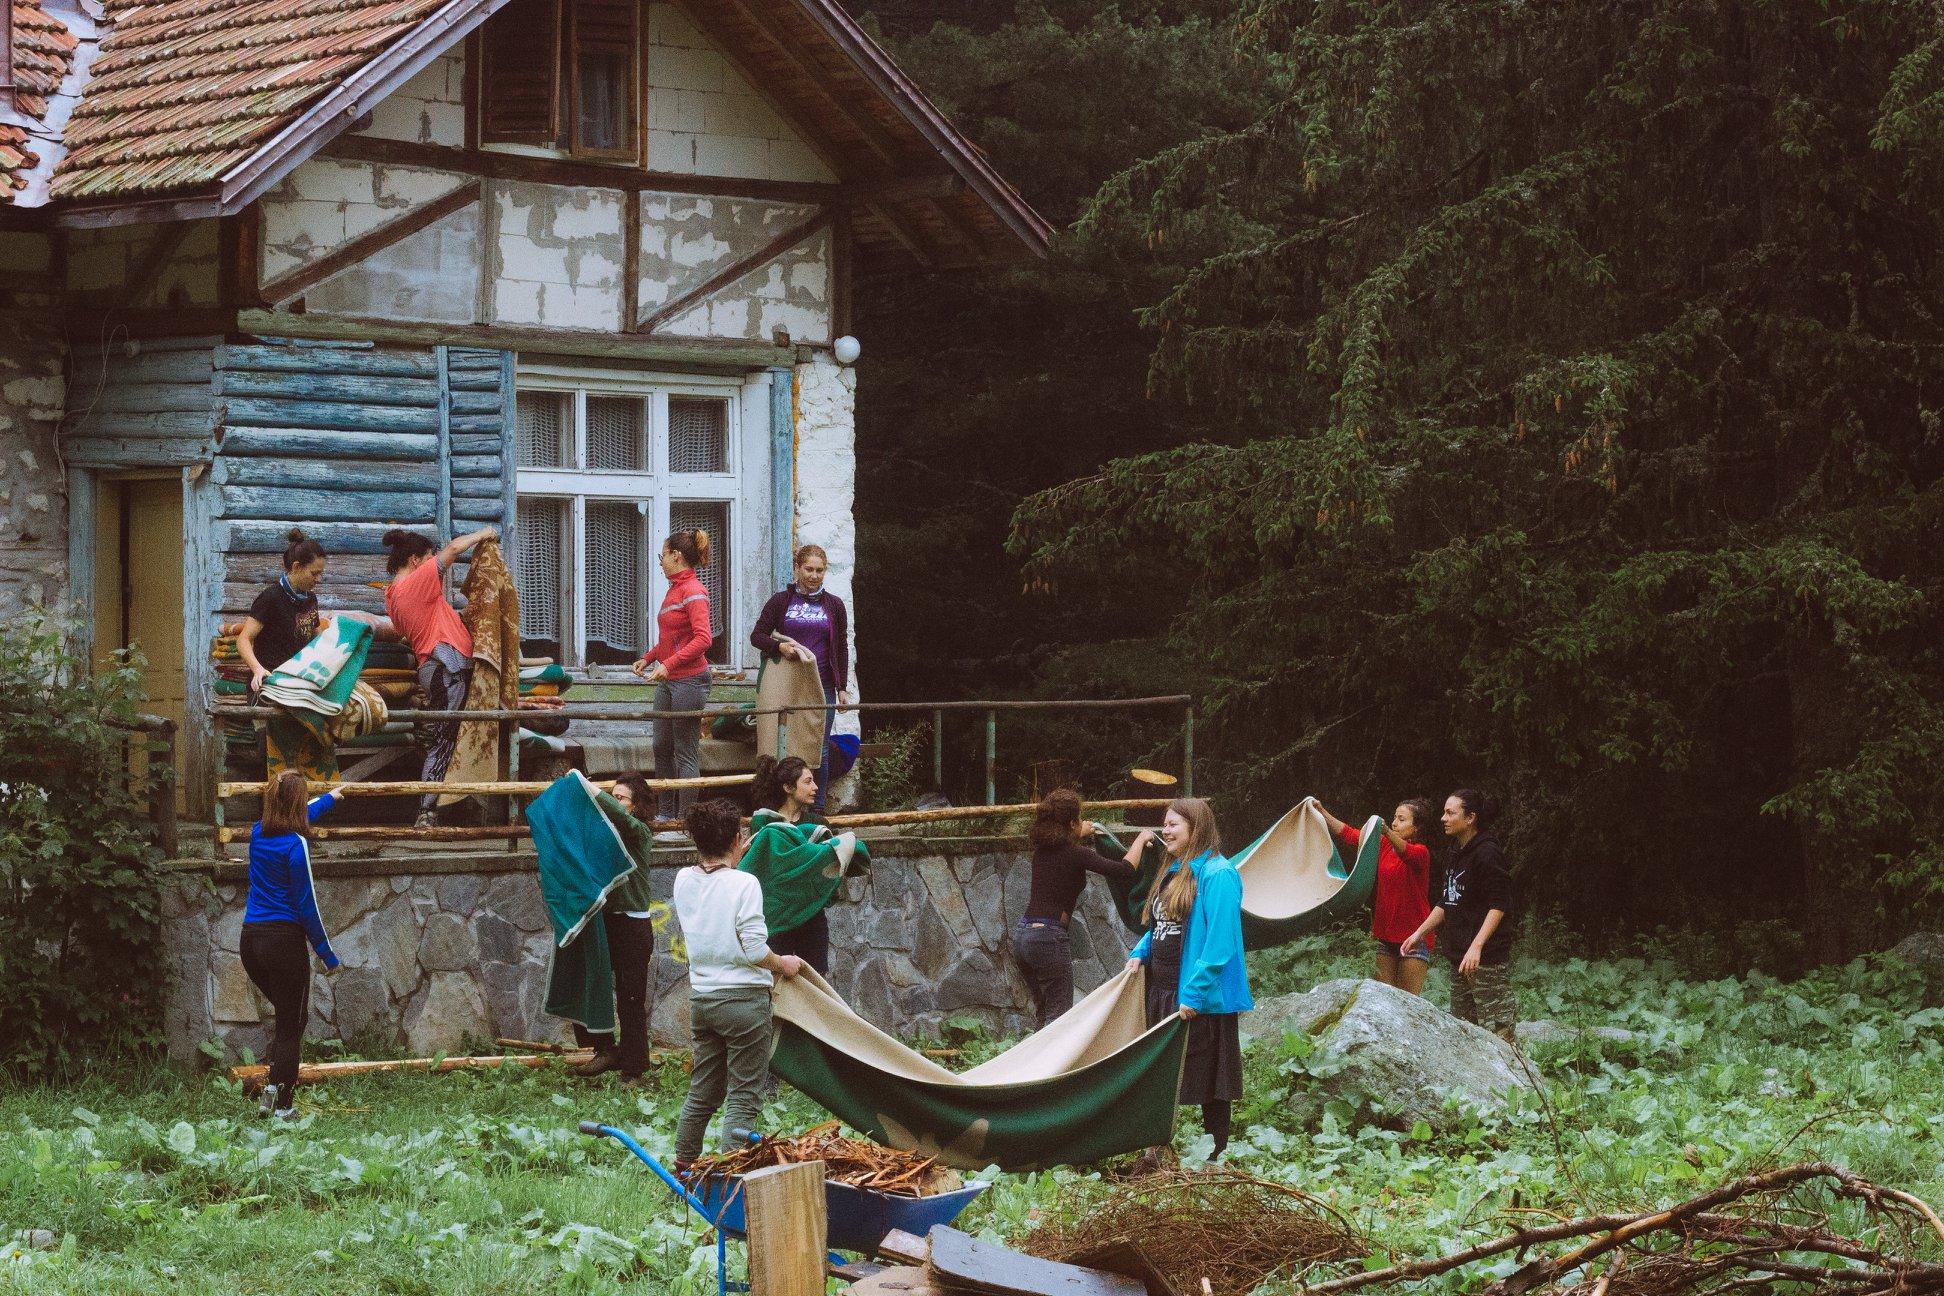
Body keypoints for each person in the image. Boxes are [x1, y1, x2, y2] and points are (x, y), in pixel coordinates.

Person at [671, 798, 805, 1174]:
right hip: (745, 1003)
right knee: (744, 1094)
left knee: (703, 1091)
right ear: (736, 840)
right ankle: (729, 1177)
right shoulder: (745, 883)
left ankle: (682, 1171)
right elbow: (754, 950)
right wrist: (784, 964)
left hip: (703, 1000)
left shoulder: (683, 880)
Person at [1124, 797, 1252, 1161]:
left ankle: (1216, 1155)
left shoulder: (1218, 874)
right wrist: (1140, 951)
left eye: (1173, 824)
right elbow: (1164, 925)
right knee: (1161, 1075)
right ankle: (1153, 1153)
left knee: (1212, 1081)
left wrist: (1194, 994)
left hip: (1201, 998)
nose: (1165, 831)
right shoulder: (1176, 870)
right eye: (1164, 824)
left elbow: (1220, 943)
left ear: (1195, 828)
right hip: (1164, 990)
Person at [241, 770, 343, 1118]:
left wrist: (329, 799)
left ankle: (271, 1093)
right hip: (283, 944)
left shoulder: (257, 833)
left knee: (288, 1019)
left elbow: (295, 813)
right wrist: (327, 955)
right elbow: (307, 905)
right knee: (291, 1024)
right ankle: (283, 1109)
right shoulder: (296, 846)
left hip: (250, 943)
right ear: (297, 804)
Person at [382, 525, 497, 829]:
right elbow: (455, 548)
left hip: (437, 668)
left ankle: (440, 807)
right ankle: (426, 812)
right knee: (444, 740)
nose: (433, 563)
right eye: (429, 557)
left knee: (449, 738)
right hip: (447, 667)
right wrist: (483, 533)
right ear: (415, 560)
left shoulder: (391, 596)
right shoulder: (416, 581)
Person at [1016, 789, 1142, 1028]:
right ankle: (1056, 1055)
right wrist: (1141, 839)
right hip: (1048, 939)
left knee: (1044, 1013)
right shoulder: (1077, 854)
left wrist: (1076, 834)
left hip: (1023, 937)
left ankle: (1038, 1053)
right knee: (1059, 1017)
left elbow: (1062, 851)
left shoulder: (1041, 852)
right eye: (1080, 819)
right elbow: (1125, 870)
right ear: (1072, 823)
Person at [1401, 789, 1515, 1041]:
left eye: (1450, 813)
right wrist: (1419, 933)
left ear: (1470, 818)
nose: (1443, 818)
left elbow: (1499, 904)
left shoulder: (1487, 853)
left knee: (1500, 1035)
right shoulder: (1455, 852)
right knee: (1463, 1034)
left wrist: (1477, 947)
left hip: (1486, 961)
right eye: (1444, 812)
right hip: (1460, 959)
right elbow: (1447, 901)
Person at [738, 754, 866, 975]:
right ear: (788, 787)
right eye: (808, 782)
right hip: (777, 918)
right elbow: (764, 871)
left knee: (816, 981)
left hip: (812, 918)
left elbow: (830, 863)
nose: (815, 787)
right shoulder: (766, 825)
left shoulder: (817, 824)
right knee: (777, 982)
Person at [570, 773, 658, 1081]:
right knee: (587, 983)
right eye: (612, 795)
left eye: (620, 797)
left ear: (636, 806)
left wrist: (588, 786)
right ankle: (605, 1049)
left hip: (633, 927)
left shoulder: (640, 833)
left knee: (630, 1000)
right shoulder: (604, 834)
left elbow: (621, 819)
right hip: (605, 922)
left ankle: (634, 1068)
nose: (613, 801)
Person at [750, 544, 850, 810]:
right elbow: (757, 636)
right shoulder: (781, 601)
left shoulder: (835, 605)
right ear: (797, 568)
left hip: (822, 684)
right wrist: (778, 647)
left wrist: (841, 687)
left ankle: (816, 810)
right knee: (782, 748)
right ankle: (778, 808)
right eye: (809, 569)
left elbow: (841, 647)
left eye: (820, 570)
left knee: (819, 747)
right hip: (787, 683)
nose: (814, 576)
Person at [633, 530, 714, 824]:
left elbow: (703, 639)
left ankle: (684, 820)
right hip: (669, 681)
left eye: (663, 555)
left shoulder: (694, 591)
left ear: (676, 556)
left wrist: (669, 664)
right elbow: (672, 638)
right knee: (661, 747)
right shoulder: (674, 590)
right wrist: (649, 657)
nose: (661, 561)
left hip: (690, 681)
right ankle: (666, 813)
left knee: (685, 752)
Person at [1317, 798, 1437, 994]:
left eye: (1401, 819)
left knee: (1407, 1001)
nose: (1395, 823)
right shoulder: (1384, 844)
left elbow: (1407, 853)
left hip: (1415, 937)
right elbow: (1350, 834)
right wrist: (1322, 812)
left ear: (1417, 828)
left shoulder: (1421, 853)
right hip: (1386, 935)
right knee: (1382, 998)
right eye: (1394, 818)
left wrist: (1387, 831)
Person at [238, 528, 330, 694]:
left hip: (297, 682)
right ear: (296, 567)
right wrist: (257, 669)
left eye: (321, 573)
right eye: (314, 573)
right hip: (270, 683)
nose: (319, 579)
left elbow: (317, 636)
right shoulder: (271, 598)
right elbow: (244, 639)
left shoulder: (310, 599)